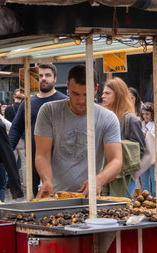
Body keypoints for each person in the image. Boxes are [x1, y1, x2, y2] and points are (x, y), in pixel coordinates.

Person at [34, 64, 122, 197]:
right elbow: (42, 154)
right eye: (75, 94)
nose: (81, 100)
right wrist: (46, 180)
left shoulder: (108, 118)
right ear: (68, 87)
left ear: (96, 89)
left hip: (90, 197)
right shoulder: (49, 111)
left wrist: (98, 180)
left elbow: (116, 160)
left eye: (86, 94)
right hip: (54, 194)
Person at [9, 63, 68, 196]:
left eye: (48, 75)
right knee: (33, 199)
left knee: (58, 198)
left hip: (58, 161)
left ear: (55, 79)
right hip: (32, 160)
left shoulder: (64, 102)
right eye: (40, 75)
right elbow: (15, 129)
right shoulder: (28, 102)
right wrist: (7, 152)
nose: (43, 78)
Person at [101, 77, 146, 197]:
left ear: (118, 95)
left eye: (107, 93)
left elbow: (140, 150)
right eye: (103, 93)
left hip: (124, 178)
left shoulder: (131, 120)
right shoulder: (104, 118)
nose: (103, 96)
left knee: (119, 210)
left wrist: (128, 169)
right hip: (104, 174)